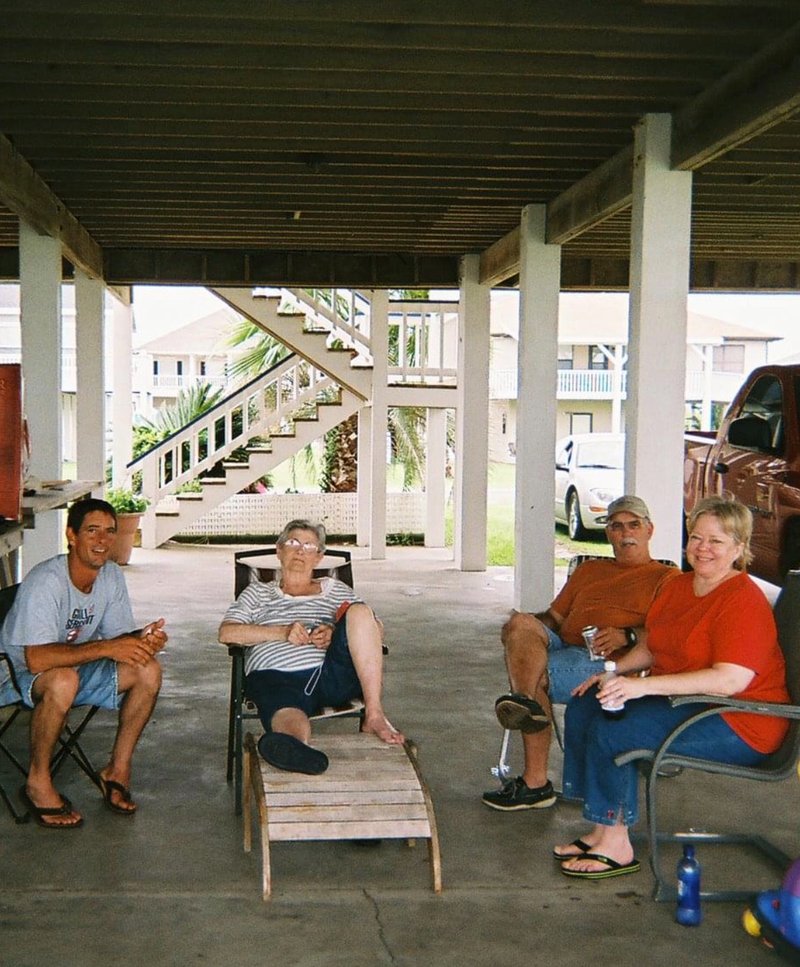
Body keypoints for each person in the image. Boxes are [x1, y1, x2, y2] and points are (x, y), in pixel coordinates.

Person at [555, 495, 790, 879]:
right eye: (696, 537)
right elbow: (652, 645)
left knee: (620, 729)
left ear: (739, 548)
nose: (703, 549)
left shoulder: (743, 600)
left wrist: (643, 689)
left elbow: (731, 680)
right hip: (692, 703)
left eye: (716, 541)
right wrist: (614, 671)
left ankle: (617, 844)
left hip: (743, 721)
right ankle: (602, 828)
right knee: (589, 704)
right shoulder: (679, 587)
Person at [483, 495, 676, 811]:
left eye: (634, 525)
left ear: (649, 530)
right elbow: (554, 620)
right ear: (608, 533)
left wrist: (626, 634)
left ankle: (534, 781)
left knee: (537, 678)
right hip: (567, 644)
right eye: (616, 526)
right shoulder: (590, 570)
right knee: (520, 623)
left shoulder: (666, 578)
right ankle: (525, 700)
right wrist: (521, 630)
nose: (626, 533)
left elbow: (670, 633)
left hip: (614, 661)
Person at [1, 498, 167, 828]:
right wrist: (109, 647)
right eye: (92, 531)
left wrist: (140, 640)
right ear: (72, 535)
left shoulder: (111, 577)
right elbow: (36, 659)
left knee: (147, 669)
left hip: (73, 669)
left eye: (109, 531)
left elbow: (117, 639)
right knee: (63, 680)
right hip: (14, 674)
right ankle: (37, 781)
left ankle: (116, 771)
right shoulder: (47, 581)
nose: (102, 540)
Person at [218, 519, 403, 775]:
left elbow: (375, 627)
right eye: (293, 543)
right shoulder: (256, 593)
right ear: (279, 550)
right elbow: (227, 632)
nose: (300, 551)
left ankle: (374, 715)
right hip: (276, 677)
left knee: (360, 611)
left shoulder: (336, 590)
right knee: (288, 714)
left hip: (331, 674)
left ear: (319, 557)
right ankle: (296, 748)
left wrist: (336, 632)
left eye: (309, 545)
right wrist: (281, 633)